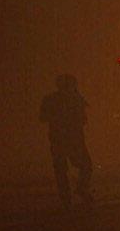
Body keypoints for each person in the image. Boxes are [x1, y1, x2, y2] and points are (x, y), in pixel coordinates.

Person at [39, 72, 94, 208]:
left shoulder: (51, 99)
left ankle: (67, 198)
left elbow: (42, 117)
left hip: (58, 140)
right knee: (84, 166)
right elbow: (83, 120)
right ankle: (79, 190)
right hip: (73, 140)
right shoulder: (75, 99)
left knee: (61, 170)